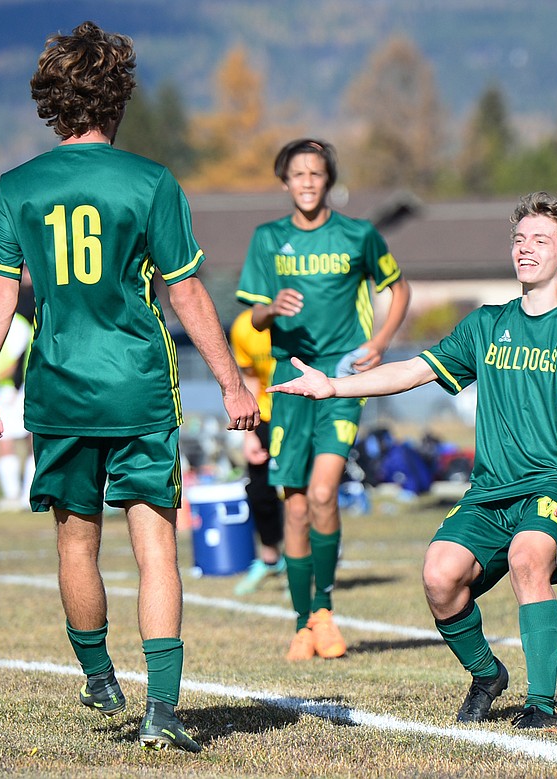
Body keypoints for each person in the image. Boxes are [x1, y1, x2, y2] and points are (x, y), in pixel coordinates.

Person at [0, 21, 258, 754]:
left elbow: (3, 296)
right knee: (155, 547)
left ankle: (98, 675)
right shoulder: (151, 182)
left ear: (50, 100)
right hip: (138, 386)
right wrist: (231, 381)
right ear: (118, 98)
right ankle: (163, 708)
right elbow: (187, 294)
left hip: (58, 389)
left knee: (76, 544)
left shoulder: (17, 186)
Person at [271, 191, 557, 729]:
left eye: (541, 241)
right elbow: (411, 371)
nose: (525, 249)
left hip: (553, 483)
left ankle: (541, 704)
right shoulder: (485, 323)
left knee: (528, 559)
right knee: (439, 577)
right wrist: (334, 385)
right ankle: (486, 673)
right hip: (490, 489)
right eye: (519, 240)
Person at [236, 138, 411, 661]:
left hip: (339, 380)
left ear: (328, 179)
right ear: (284, 182)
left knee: (322, 493)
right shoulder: (268, 238)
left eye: (316, 173)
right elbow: (252, 318)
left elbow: (399, 289)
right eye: (297, 174)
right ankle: (302, 624)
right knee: (293, 508)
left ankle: (325, 610)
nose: (307, 182)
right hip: (289, 385)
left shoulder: (359, 235)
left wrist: (379, 345)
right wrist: (270, 308)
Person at [229, 308, 286, 594]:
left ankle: (307, 565)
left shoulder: (301, 318)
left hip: (301, 413)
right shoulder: (243, 326)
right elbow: (250, 378)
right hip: (264, 415)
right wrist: (249, 433)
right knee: (260, 492)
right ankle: (271, 559)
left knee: (301, 492)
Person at [0, 285, 36, 512]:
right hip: (8, 389)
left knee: (16, 441)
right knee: (20, 441)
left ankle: (21, 495)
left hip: (13, 390)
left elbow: (15, 362)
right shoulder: (16, 323)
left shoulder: (16, 325)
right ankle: (19, 495)